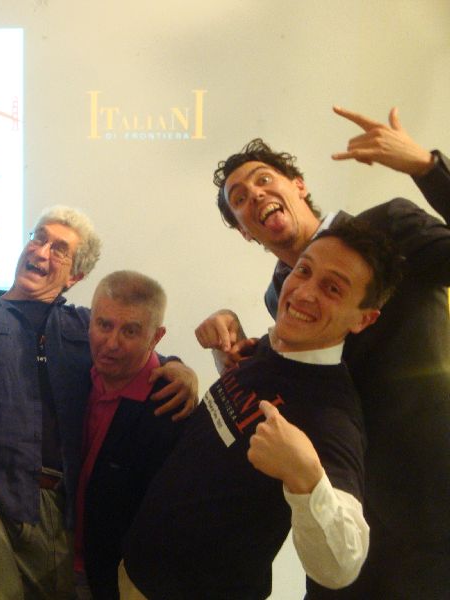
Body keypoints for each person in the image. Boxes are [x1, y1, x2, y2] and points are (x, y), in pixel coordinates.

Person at [197, 106, 450, 598]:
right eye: (239, 199)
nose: (255, 196)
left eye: (264, 180)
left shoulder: (389, 227)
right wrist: (240, 346)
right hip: (339, 498)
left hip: (431, 501)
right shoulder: (278, 297)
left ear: (299, 185)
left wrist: (427, 167)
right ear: (244, 231)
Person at [0, 208, 198, 599]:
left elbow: (138, 356)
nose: (42, 251)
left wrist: (180, 368)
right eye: (39, 238)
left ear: (74, 277)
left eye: (59, 249)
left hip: (48, 504)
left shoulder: (84, 326)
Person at [122, 222, 402, 599]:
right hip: (135, 570)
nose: (304, 292)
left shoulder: (331, 415)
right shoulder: (273, 350)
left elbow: (343, 567)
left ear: (363, 318)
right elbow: (239, 424)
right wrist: (222, 345)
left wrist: (307, 477)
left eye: (332, 288)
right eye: (304, 270)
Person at [75, 271, 186, 599]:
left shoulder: (171, 409)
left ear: (156, 337)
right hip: (51, 560)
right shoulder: (74, 372)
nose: (111, 343)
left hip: (114, 583)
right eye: (104, 324)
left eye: (130, 331)